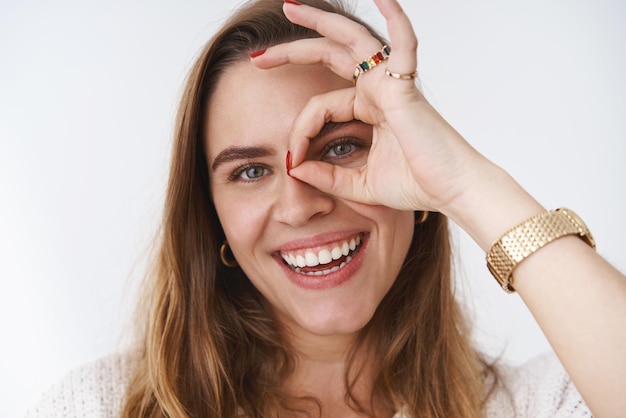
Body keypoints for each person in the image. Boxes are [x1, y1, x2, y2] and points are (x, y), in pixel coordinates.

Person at [24, 0, 626, 417]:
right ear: (215, 224)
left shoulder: (533, 404)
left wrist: (464, 185)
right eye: (251, 171)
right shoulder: (97, 406)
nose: (301, 203)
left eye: (341, 146)